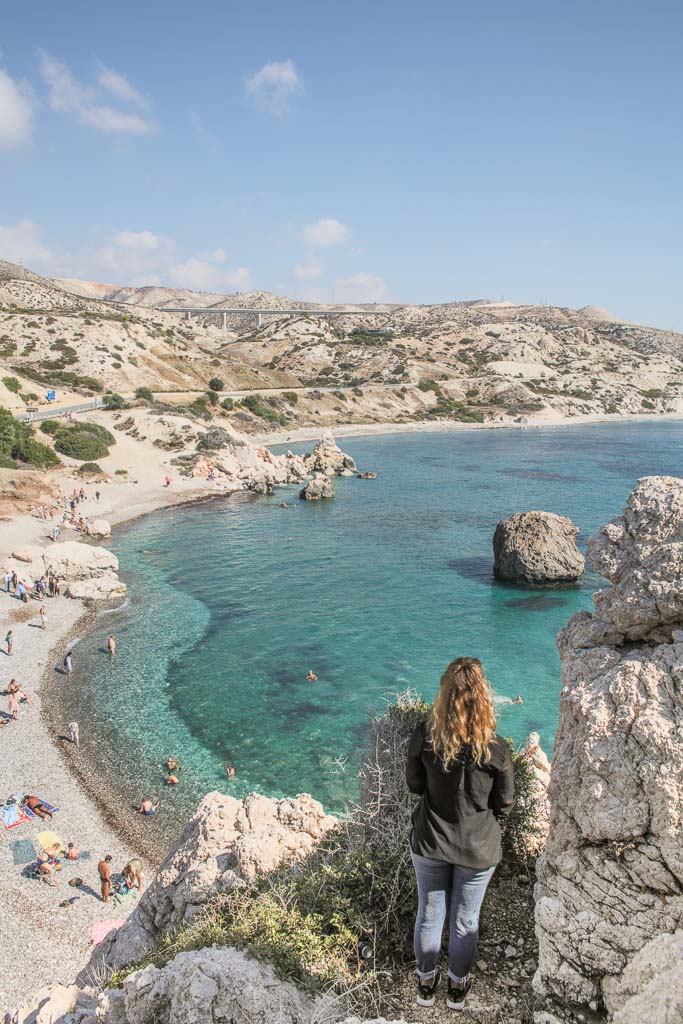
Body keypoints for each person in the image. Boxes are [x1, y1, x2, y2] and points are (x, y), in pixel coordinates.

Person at [406, 657, 514, 1010]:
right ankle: (456, 989)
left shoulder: (425, 736)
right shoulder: (497, 750)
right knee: (466, 920)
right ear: (484, 697)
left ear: (444, 693)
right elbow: (505, 805)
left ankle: (425, 985)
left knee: (430, 913)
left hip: (430, 840)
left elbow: (414, 785)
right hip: (478, 848)